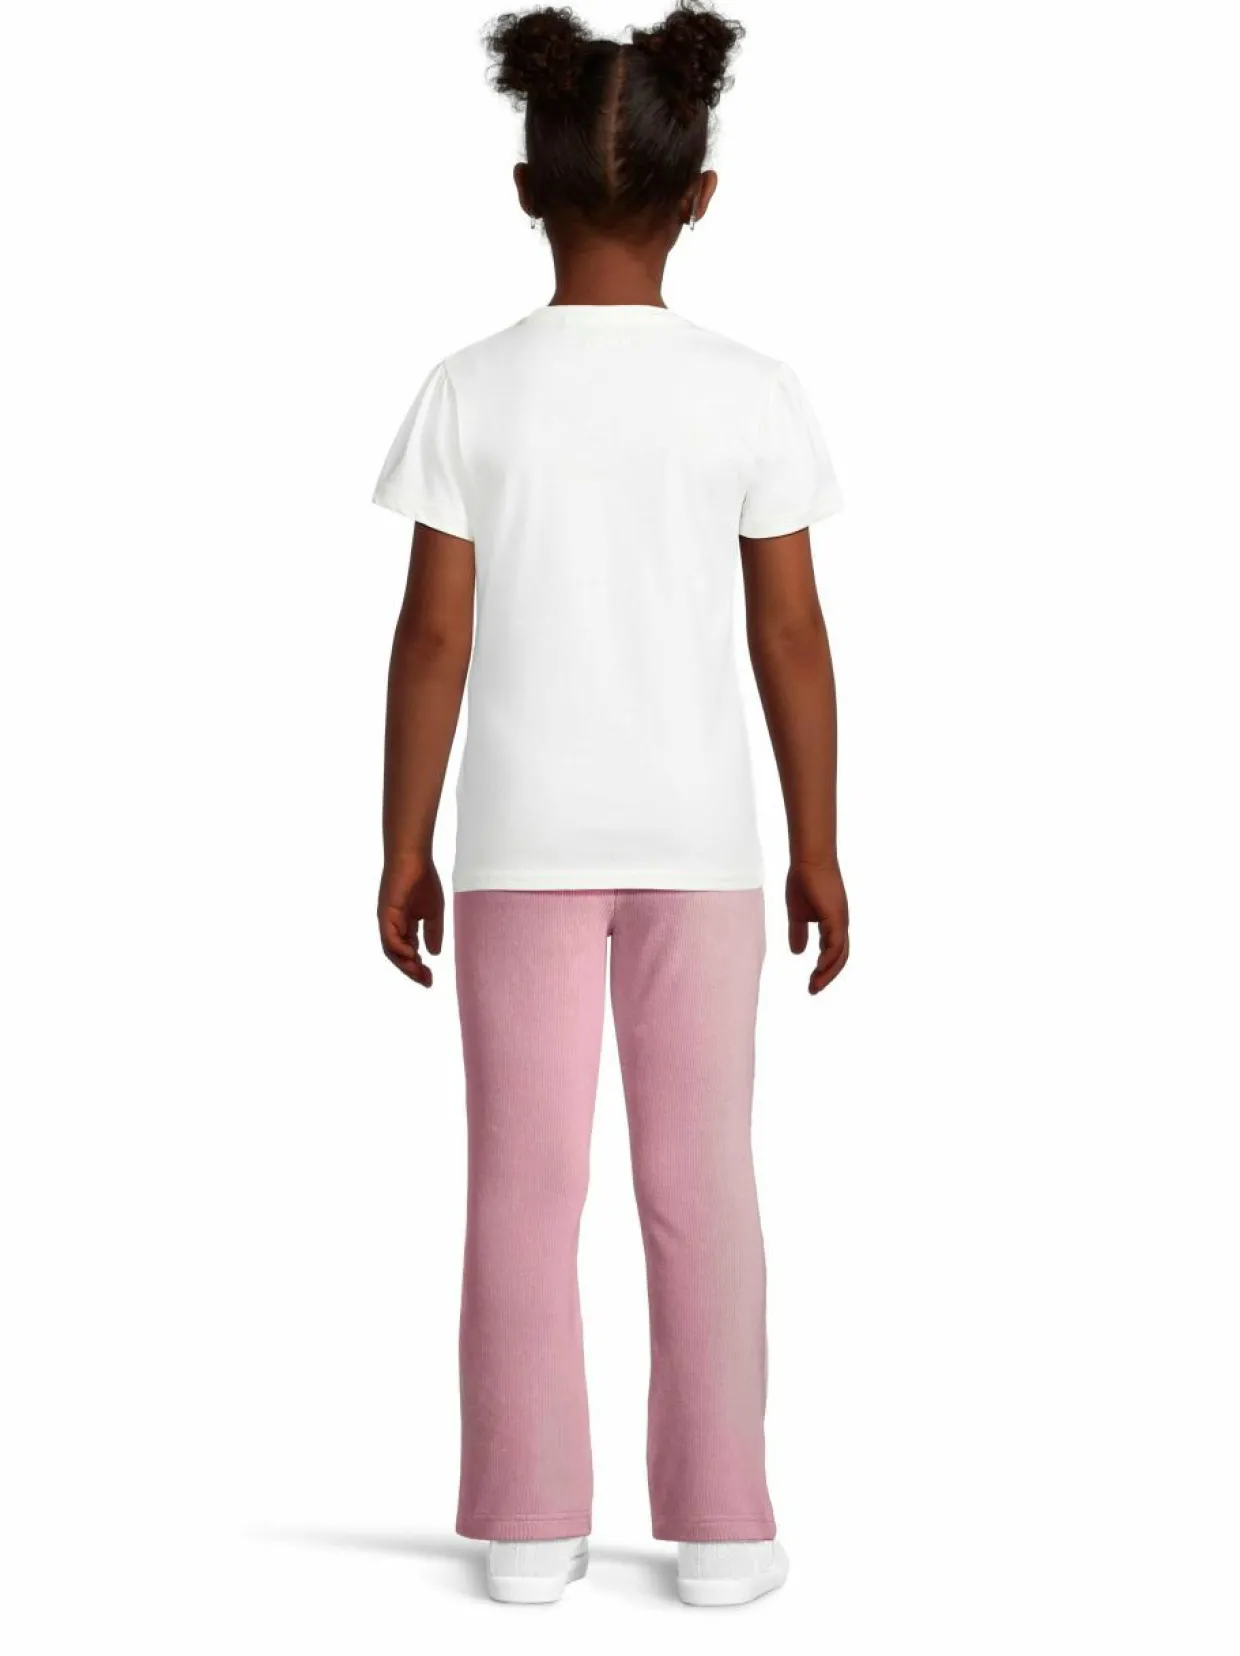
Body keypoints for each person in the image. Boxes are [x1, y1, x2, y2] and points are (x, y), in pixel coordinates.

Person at [372, 1, 849, 1607]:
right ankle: (724, 1532)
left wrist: (403, 843)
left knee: (522, 1191)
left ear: (525, 189)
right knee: (701, 1188)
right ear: (702, 196)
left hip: (518, 852)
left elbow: (433, 636)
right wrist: (820, 845)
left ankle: (526, 1530)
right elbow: (792, 635)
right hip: (702, 855)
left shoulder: (470, 389)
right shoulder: (752, 391)